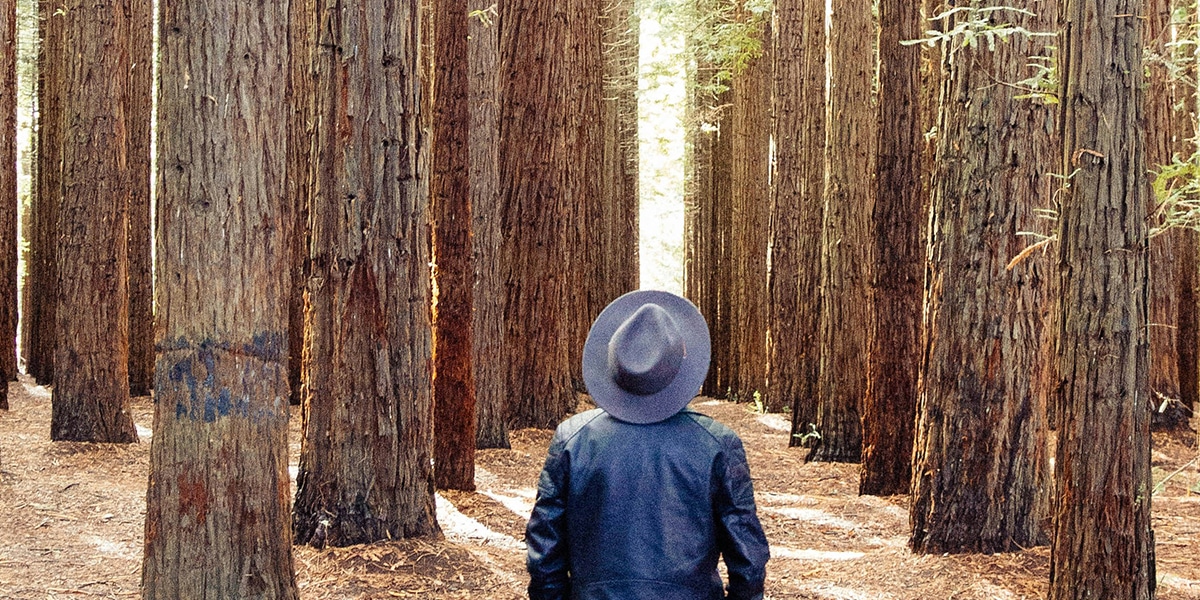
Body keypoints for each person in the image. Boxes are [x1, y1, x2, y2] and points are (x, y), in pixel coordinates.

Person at [526, 290, 770, 600]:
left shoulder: (573, 439)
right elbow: (747, 559)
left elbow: (545, 551)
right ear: (679, 368)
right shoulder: (717, 444)